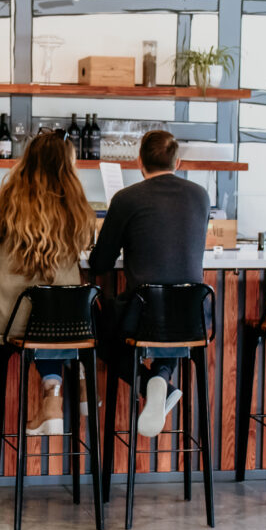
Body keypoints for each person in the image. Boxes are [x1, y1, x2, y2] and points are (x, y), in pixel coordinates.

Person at [0, 131, 94, 435]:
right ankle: (79, 378)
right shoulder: (77, 207)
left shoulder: (7, 204)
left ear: (28, 162)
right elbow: (88, 243)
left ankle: (53, 395)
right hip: (70, 323)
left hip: (17, 320)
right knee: (62, 320)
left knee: (39, 321)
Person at [88, 130, 210, 438]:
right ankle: (162, 376)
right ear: (177, 161)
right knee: (171, 317)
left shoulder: (127, 199)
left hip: (142, 317)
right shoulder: (200, 195)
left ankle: (150, 383)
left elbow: (101, 263)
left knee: (94, 327)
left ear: (139, 162)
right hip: (194, 317)